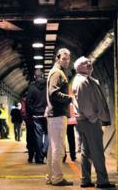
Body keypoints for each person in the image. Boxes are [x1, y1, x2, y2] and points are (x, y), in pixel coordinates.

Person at [72, 56, 115, 189]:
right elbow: (85, 104)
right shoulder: (82, 82)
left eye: (89, 62)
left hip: (84, 121)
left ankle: (85, 179)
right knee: (97, 151)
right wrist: (94, 118)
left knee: (87, 152)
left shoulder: (87, 80)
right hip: (89, 121)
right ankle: (102, 181)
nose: (89, 64)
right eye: (85, 63)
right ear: (79, 68)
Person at [44, 48, 74, 186]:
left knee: (52, 148)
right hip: (57, 114)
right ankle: (57, 177)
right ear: (57, 58)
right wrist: (70, 98)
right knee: (59, 148)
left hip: (54, 115)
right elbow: (53, 93)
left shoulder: (56, 71)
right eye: (64, 58)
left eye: (68, 58)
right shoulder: (57, 73)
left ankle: (51, 176)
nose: (66, 61)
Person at [26, 69, 48, 164]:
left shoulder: (32, 87)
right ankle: (44, 151)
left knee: (38, 136)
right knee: (48, 134)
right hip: (47, 114)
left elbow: (28, 102)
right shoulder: (48, 85)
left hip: (36, 115)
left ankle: (39, 158)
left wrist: (32, 112)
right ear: (43, 75)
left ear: (35, 76)